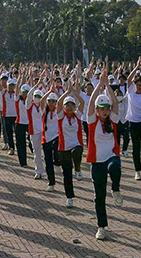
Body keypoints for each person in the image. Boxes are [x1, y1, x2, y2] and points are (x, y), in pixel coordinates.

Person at [86, 68, 123, 240]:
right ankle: (101, 226)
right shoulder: (92, 121)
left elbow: (115, 103)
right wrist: (98, 85)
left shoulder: (113, 120)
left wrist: (107, 85)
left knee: (115, 166)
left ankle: (115, 188)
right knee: (98, 196)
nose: (105, 111)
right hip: (96, 161)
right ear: (97, 110)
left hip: (111, 156)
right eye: (101, 109)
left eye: (106, 109)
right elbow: (92, 101)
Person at [56, 73, 84, 207]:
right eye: (67, 105)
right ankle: (69, 197)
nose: (69, 107)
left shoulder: (77, 116)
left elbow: (82, 102)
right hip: (63, 148)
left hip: (76, 145)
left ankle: (78, 169)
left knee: (77, 152)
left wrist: (74, 93)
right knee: (67, 174)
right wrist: (66, 92)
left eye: (72, 105)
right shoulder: (61, 116)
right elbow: (58, 103)